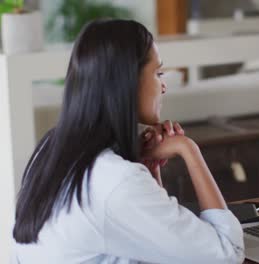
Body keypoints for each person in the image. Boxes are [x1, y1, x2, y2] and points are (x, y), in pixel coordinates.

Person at [12, 19, 244, 264]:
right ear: (127, 82)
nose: (163, 86)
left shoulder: (51, 150)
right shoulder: (115, 180)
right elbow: (227, 253)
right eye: (158, 73)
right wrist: (189, 150)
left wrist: (151, 170)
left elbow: (158, 246)